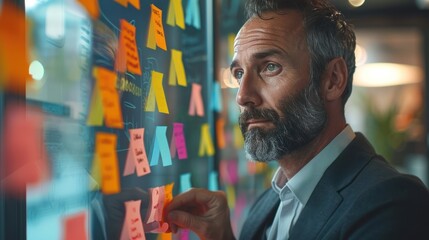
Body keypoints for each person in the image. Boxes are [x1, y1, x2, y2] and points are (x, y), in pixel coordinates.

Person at [165, 0, 429, 239]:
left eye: (270, 67)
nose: (243, 96)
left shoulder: (393, 202)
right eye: (238, 73)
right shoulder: (268, 203)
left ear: (333, 80)